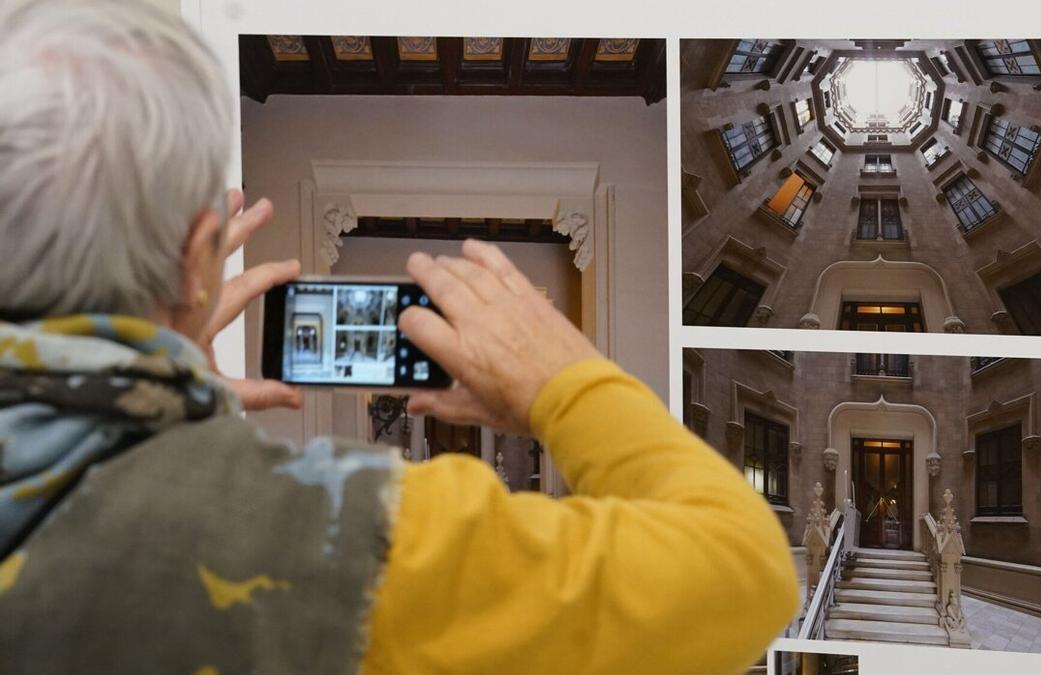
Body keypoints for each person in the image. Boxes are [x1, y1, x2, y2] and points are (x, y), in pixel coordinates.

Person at [0, 0, 799, 673]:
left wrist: (161, 406)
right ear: (193, 259)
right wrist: (569, 379)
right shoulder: (336, 530)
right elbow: (742, 572)